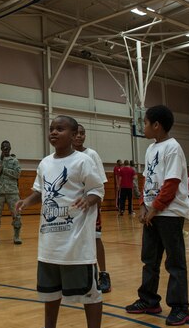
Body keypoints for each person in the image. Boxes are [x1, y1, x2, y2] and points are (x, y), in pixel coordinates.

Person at [15, 115, 104, 328]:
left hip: (77, 244)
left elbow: (98, 190)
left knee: (90, 294)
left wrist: (88, 199)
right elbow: (40, 191)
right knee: (50, 293)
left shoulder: (84, 161)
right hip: (49, 243)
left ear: (74, 135)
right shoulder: (45, 163)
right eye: (51, 129)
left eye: (60, 129)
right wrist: (27, 201)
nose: (53, 132)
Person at [125, 105, 189, 326]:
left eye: (144, 122)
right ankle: (149, 300)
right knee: (149, 259)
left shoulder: (173, 148)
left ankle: (180, 307)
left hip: (170, 213)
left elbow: (171, 183)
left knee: (175, 262)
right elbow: (148, 179)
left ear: (156, 125)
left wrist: (154, 208)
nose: (142, 127)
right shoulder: (151, 149)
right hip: (153, 211)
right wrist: (143, 205)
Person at [73, 124, 112, 293]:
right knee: (75, 241)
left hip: (91, 205)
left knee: (95, 239)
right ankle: (81, 275)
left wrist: (98, 207)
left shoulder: (91, 154)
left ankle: (103, 274)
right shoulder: (66, 156)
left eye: (82, 133)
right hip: (72, 208)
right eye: (77, 133)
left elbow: (101, 182)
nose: (80, 136)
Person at [0, 140, 23, 244]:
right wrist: (1, 162)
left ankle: (17, 236)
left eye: (7, 147)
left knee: (16, 213)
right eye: (4, 147)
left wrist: (5, 170)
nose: (5, 149)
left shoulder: (14, 160)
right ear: (1, 148)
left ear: (10, 148)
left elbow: (17, 174)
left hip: (12, 192)